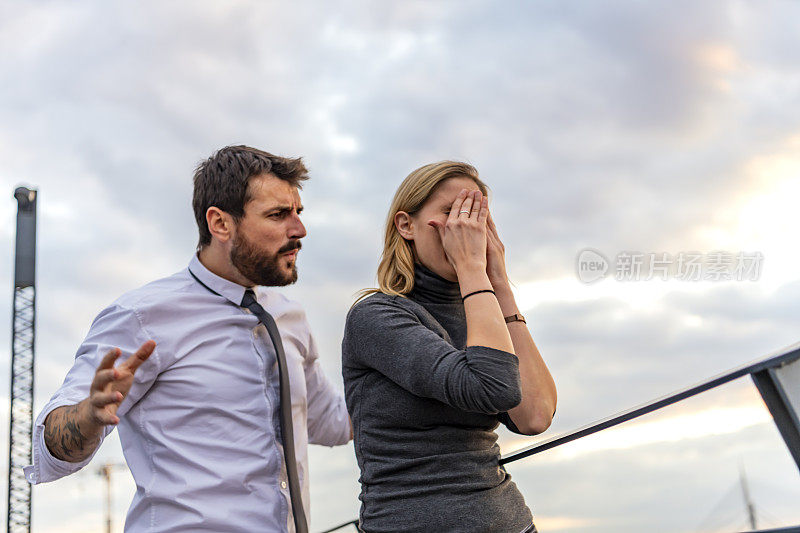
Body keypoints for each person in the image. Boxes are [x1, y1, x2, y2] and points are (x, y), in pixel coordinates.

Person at [26, 145, 352, 532]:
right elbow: (50, 452)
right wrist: (90, 415)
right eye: (278, 215)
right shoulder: (142, 316)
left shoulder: (290, 317)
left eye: (298, 213)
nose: (299, 230)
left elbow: (331, 421)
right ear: (220, 224)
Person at [342, 161, 557, 533]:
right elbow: (493, 387)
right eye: (453, 213)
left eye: (476, 216)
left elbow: (534, 416)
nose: (466, 228)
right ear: (406, 225)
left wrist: (499, 283)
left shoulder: (479, 311)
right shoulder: (377, 316)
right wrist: (473, 270)